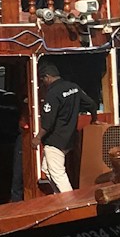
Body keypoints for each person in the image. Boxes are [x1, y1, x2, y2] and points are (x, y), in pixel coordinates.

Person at [37, 61, 87, 193]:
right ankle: (59, 196)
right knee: (47, 169)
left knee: (58, 174)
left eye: (43, 80)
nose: (43, 83)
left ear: (47, 77)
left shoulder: (53, 93)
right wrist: (94, 118)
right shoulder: (74, 88)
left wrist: (37, 138)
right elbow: (90, 103)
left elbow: (48, 122)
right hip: (69, 139)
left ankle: (70, 204)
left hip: (55, 141)